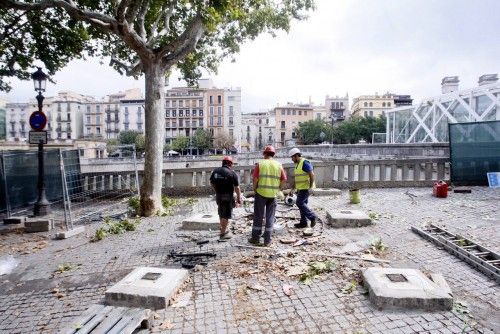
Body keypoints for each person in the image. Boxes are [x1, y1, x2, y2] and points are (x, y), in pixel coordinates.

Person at [249, 145, 287, 246]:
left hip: (261, 193)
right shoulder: (278, 165)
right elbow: (284, 179)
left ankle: (255, 238)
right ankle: (267, 240)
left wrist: (254, 189)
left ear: (264, 154)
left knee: (258, 216)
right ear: (273, 154)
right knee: (270, 217)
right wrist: (279, 189)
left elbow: (255, 179)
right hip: (273, 194)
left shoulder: (260, 164)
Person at [210, 156, 241, 240]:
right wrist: (238, 198)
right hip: (228, 197)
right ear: (230, 164)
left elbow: (212, 183)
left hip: (219, 196)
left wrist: (216, 190)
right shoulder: (232, 173)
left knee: (221, 212)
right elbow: (237, 188)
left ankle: (222, 228)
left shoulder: (216, 171)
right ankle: (223, 234)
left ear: (223, 163)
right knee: (226, 215)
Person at [289, 147, 317, 228]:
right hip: (301, 188)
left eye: (292, 157)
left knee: (299, 203)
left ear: (296, 156)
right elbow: (296, 178)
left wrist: (310, 187)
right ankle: (303, 222)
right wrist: (292, 189)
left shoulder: (305, 162)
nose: (291, 159)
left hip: (306, 188)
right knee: (303, 205)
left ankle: (312, 217)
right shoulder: (297, 164)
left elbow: (312, 174)